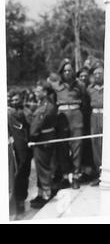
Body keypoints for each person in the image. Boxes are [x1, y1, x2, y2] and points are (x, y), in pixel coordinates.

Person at [54, 58, 86, 189]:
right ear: (61, 72)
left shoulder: (80, 85)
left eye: (70, 70)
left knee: (77, 147)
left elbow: (85, 102)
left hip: (76, 117)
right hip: (62, 119)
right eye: (65, 71)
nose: (68, 73)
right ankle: (66, 176)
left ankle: (76, 176)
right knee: (62, 148)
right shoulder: (56, 86)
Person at [29, 80, 58, 208]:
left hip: (41, 140)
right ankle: (41, 194)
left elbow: (35, 128)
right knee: (42, 168)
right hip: (45, 138)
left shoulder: (44, 107)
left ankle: (46, 195)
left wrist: (31, 138)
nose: (35, 92)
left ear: (45, 92)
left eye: (38, 90)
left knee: (43, 169)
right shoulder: (46, 104)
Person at [8, 91, 32, 214]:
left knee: (24, 175)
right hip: (15, 149)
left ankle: (21, 201)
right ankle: (15, 203)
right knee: (15, 176)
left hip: (26, 148)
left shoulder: (27, 112)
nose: (14, 102)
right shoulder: (9, 113)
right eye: (13, 100)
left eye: (17, 100)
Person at [86, 66, 105, 186]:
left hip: (106, 116)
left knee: (106, 144)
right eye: (95, 73)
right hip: (94, 116)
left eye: (100, 73)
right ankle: (100, 174)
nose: (97, 75)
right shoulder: (89, 89)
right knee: (96, 144)